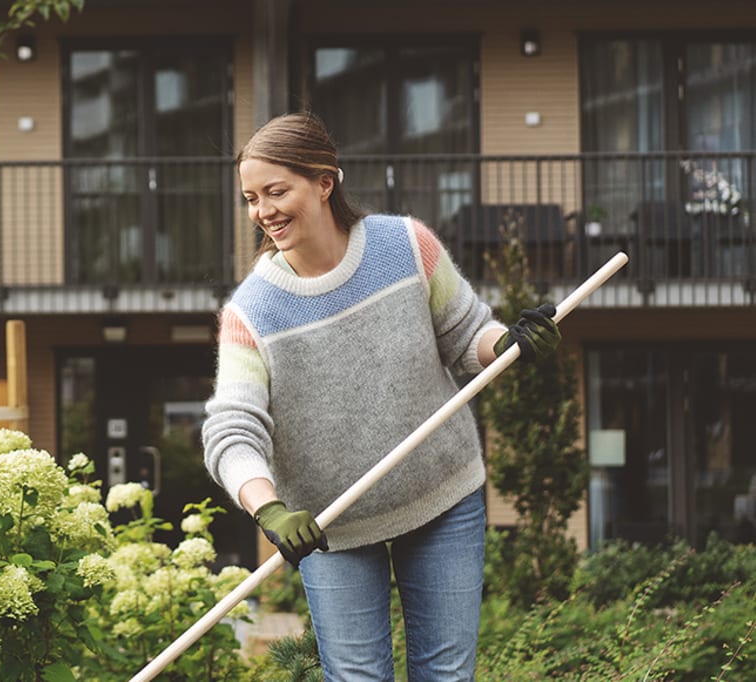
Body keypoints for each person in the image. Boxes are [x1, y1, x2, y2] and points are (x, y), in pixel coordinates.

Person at [202, 113, 560, 680]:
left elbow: (468, 337)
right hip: (332, 528)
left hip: (443, 496)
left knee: (445, 674)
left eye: (276, 191)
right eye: (251, 197)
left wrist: (511, 342)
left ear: (324, 182)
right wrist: (266, 506)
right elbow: (232, 429)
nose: (262, 211)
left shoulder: (406, 246)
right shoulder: (252, 311)